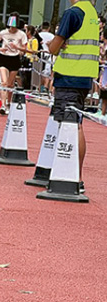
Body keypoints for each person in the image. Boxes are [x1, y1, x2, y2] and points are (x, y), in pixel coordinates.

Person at [47, 0, 100, 193]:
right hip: (84, 76)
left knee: (71, 124)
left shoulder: (74, 13)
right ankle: (74, 174)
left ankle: (74, 177)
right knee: (74, 122)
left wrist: (51, 45)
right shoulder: (91, 13)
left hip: (70, 75)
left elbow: (53, 47)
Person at [0, 13, 27, 115]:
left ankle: (8, 102)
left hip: (15, 59)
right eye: (11, 27)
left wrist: (17, 47)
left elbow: (25, 49)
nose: (12, 29)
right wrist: (0, 49)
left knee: (10, 84)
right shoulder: (3, 33)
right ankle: (3, 105)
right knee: (4, 82)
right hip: (3, 58)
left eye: (14, 27)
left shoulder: (21, 34)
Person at [39, 21, 55, 94]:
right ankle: (45, 86)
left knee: (39, 71)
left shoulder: (38, 35)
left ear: (42, 27)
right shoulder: (52, 36)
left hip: (39, 54)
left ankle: (39, 86)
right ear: (49, 28)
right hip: (48, 54)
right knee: (47, 72)